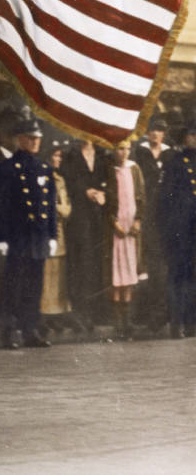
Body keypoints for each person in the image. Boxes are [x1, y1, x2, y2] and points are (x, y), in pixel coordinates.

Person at [0, 118, 57, 349]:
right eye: (30, 138)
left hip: (38, 237)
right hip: (17, 236)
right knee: (14, 285)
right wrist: (0, 238)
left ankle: (30, 329)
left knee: (34, 285)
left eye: (37, 138)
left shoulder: (44, 168)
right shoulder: (7, 169)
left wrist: (52, 236)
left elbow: (50, 207)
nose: (35, 142)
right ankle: (9, 331)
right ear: (19, 140)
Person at [61, 139, 108, 331]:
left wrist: (102, 192)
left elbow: (107, 178)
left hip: (98, 215)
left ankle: (95, 313)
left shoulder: (103, 154)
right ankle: (80, 313)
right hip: (79, 216)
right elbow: (67, 181)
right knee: (81, 263)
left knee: (96, 262)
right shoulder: (70, 154)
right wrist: (85, 191)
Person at [157, 121, 196, 338]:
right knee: (179, 277)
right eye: (191, 135)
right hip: (180, 232)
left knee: (192, 278)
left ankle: (191, 323)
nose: (194, 139)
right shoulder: (174, 163)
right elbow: (165, 200)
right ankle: (176, 323)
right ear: (184, 138)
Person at [134, 118, 173, 333]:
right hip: (146, 215)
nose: (156, 134)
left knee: (165, 266)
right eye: (153, 131)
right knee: (148, 266)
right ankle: (150, 315)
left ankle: (166, 312)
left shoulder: (171, 154)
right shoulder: (139, 154)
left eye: (160, 131)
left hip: (167, 216)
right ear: (147, 133)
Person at [103, 142, 145, 340]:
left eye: (127, 148)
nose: (124, 152)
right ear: (114, 150)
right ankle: (117, 323)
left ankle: (127, 323)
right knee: (116, 274)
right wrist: (114, 222)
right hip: (116, 229)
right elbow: (108, 201)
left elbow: (141, 197)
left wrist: (138, 220)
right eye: (120, 148)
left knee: (129, 273)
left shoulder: (134, 169)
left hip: (131, 228)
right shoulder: (110, 171)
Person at [39, 144, 73, 334]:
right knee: (44, 275)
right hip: (43, 232)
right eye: (53, 156)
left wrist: (56, 208)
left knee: (58, 276)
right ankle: (42, 316)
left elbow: (66, 208)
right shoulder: (41, 178)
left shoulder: (60, 180)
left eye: (59, 156)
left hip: (58, 231)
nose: (56, 160)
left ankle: (55, 316)